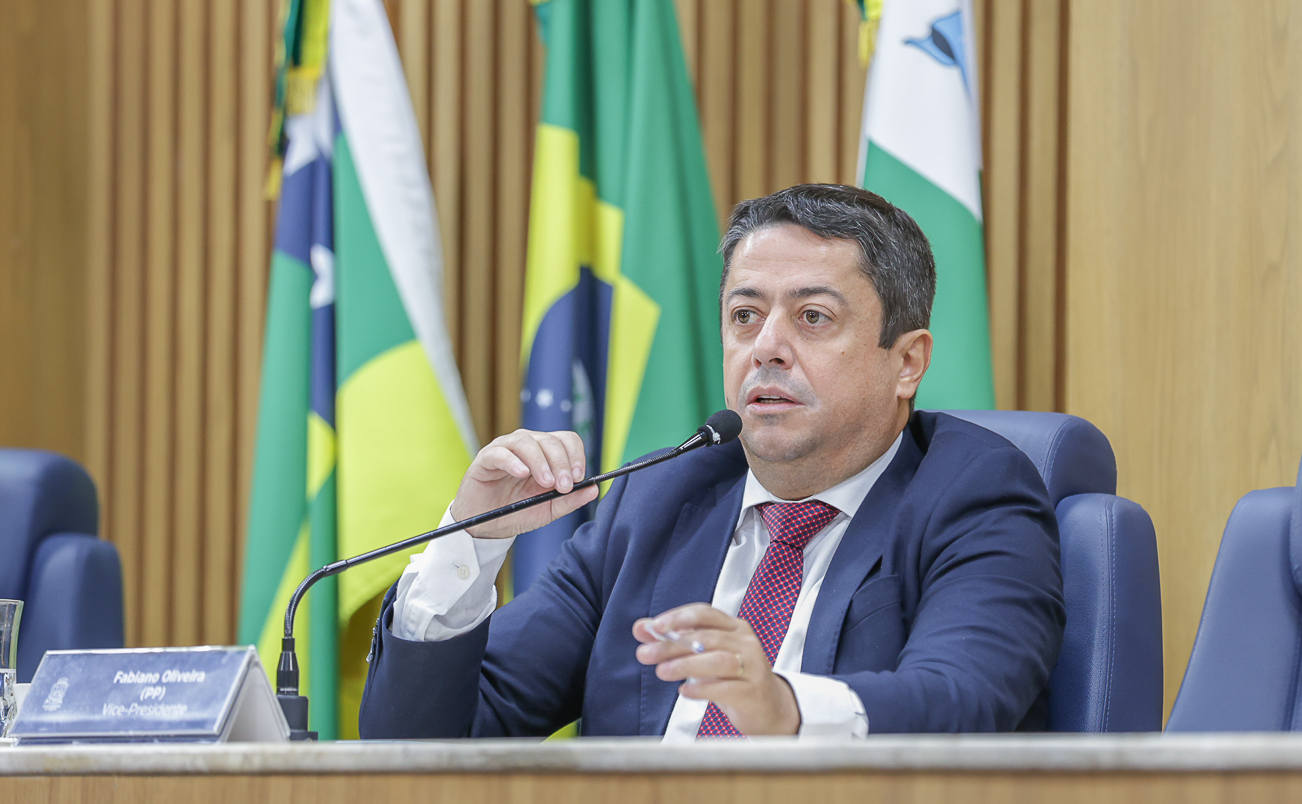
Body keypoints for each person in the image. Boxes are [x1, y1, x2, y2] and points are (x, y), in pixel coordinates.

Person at [358, 183, 1064, 739]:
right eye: (745, 316)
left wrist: (782, 707)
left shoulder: (974, 493)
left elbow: (962, 701)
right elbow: (422, 742)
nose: (767, 348)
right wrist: (472, 540)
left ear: (907, 362)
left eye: (813, 317)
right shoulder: (659, 499)